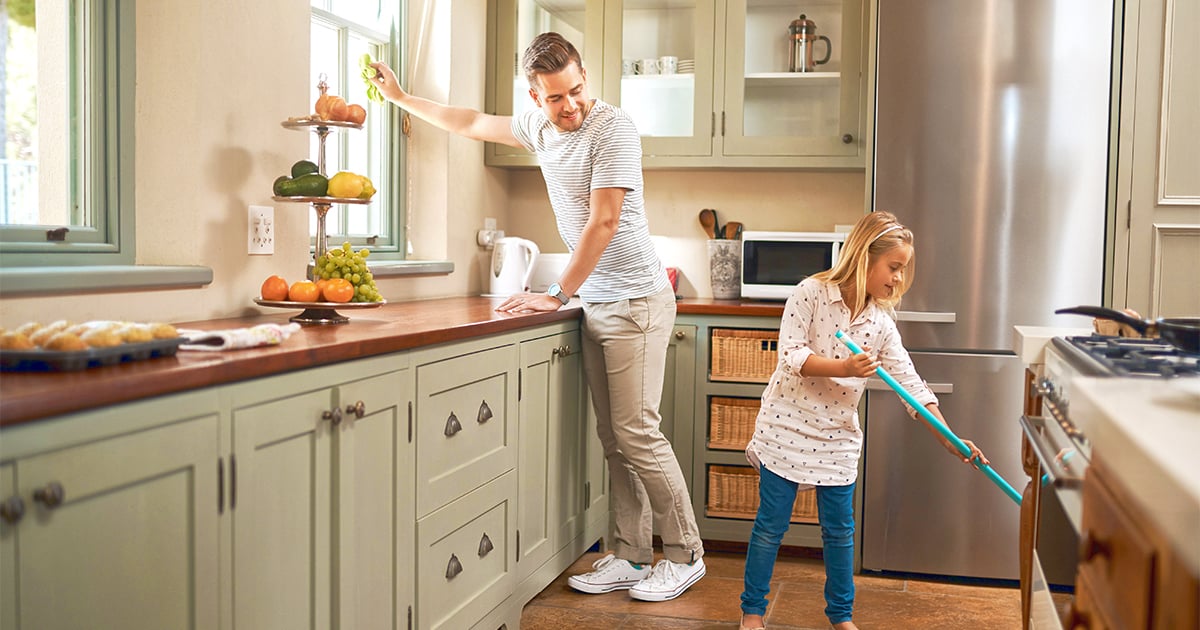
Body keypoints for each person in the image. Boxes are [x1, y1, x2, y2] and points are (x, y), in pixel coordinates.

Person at [369, 32, 706, 602]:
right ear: (534, 96)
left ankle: (684, 553)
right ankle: (628, 553)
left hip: (636, 301)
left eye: (576, 90)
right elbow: (469, 120)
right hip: (597, 300)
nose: (570, 105)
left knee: (638, 433)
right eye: (555, 98)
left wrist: (554, 293)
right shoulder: (537, 128)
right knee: (614, 437)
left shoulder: (613, 128)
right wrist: (402, 98)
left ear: (583, 78)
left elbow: (604, 222)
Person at [736, 211, 990, 630]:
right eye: (894, 267)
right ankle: (752, 612)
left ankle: (841, 617)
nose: (898, 280)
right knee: (771, 526)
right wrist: (845, 368)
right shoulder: (810, 293)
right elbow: (791, 356)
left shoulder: (880, 326)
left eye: (902, 270)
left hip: (836, 437)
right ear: (864, 258)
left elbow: (912, 386)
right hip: (787, 426)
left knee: (839, 533)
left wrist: (951, 439)